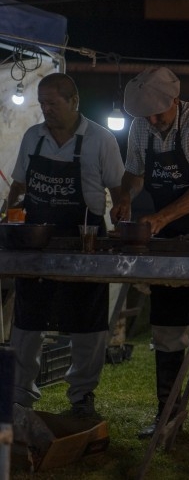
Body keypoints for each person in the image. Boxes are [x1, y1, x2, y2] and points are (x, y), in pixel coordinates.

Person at [111, 66, 189, 440]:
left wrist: (161, 218)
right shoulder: (140, 128)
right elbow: (134, 174)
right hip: (168, 232)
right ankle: (168, 413)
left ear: (175, 100)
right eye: (145, 116)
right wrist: (124, 198)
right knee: (167, 323)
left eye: (158, 113)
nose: (152, 121)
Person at [4, 72, 125, 418]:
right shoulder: (33, 137)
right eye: (41, 103)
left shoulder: (100, 140)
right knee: (28, 322)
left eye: (52, 103)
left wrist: (121, 220)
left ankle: (82, 397)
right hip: (36, 242)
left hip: (82, 240)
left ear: (74, 102)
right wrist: (11, 218)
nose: (45, 110)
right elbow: (19, 185)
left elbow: (119, 193)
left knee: (87, 323)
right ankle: (19, 395)